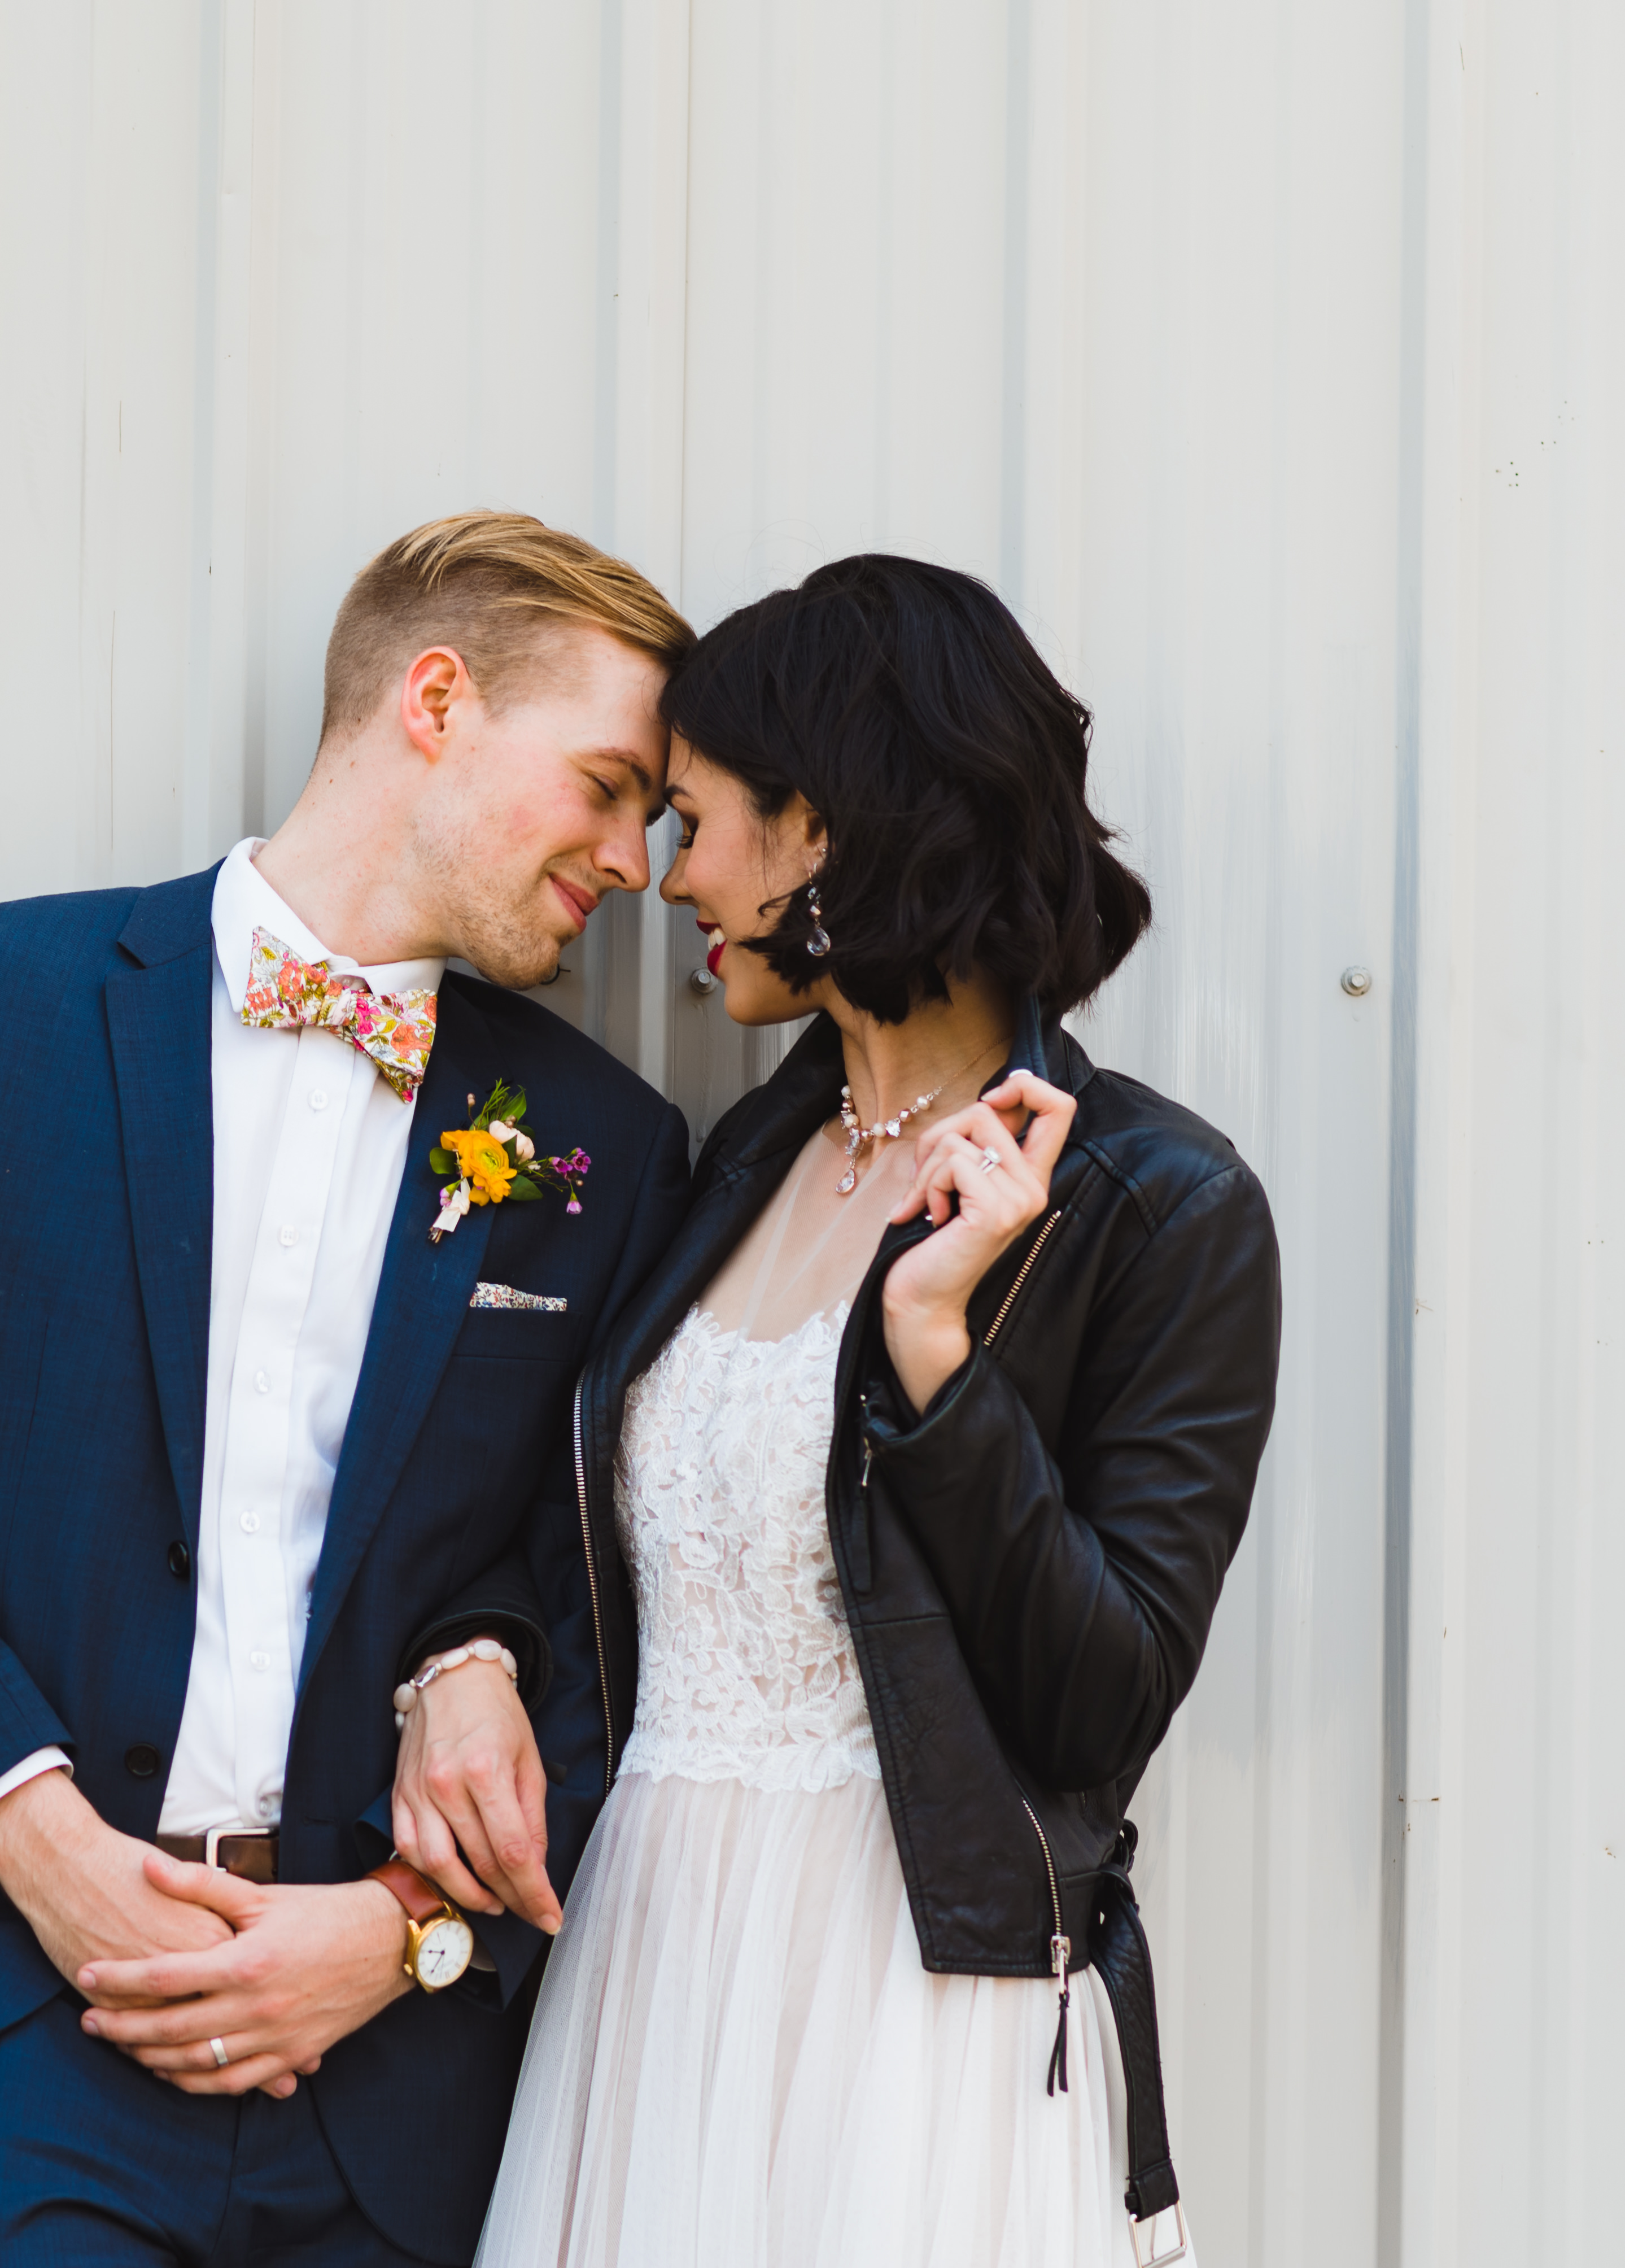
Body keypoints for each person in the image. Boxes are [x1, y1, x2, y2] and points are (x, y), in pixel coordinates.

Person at [0, 512, 697, 2265]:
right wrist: (45, 1853)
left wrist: (404, 1932)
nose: (634, 856)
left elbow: (602, 1602)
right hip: (1, 2039)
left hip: (384, 2093)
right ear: (439, 697)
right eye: (611, 785)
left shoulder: (602, 1149)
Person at [477, 556, 1278, 2267]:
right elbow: (585, 1544)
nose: (665, 876)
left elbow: (1101, 1698)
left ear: (829, 826)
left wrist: (932, 1351)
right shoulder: (730, 1168)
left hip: (913, 1991)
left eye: (698, 824)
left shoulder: (1158, 1202)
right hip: (645, 1973)